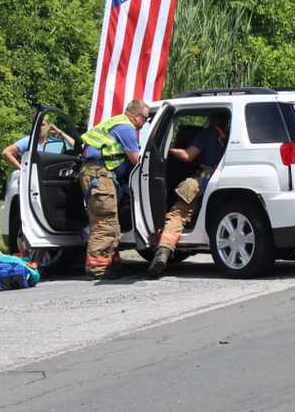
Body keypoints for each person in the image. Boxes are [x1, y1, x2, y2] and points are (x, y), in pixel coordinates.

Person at [148, 111, 229, 279]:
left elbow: (187, 156)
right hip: (220, 179)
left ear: (213, 117)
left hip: (201, 180)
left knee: (179, 213)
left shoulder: (207, 133)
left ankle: (163, 252)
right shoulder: (229, 135)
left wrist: (167, 149)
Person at [79, 99, 149, 280]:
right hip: (99, 175)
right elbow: (136, 161)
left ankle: (110, 262)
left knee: (111, 222)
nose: (144, 123)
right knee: (105, 222)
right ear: (136, 116)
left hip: (99, 174)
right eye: (145, 118)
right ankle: (97, 268)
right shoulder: (126, 128)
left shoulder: (117, 122)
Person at [1, 119, 74, 170]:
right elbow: (6, 152)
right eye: (37, 125)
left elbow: (75, 145)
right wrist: (22, 169)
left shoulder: (55, 142)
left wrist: (59, 131)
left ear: (49, 126)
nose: (40, 128)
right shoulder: (29, 140)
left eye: (42, 125)